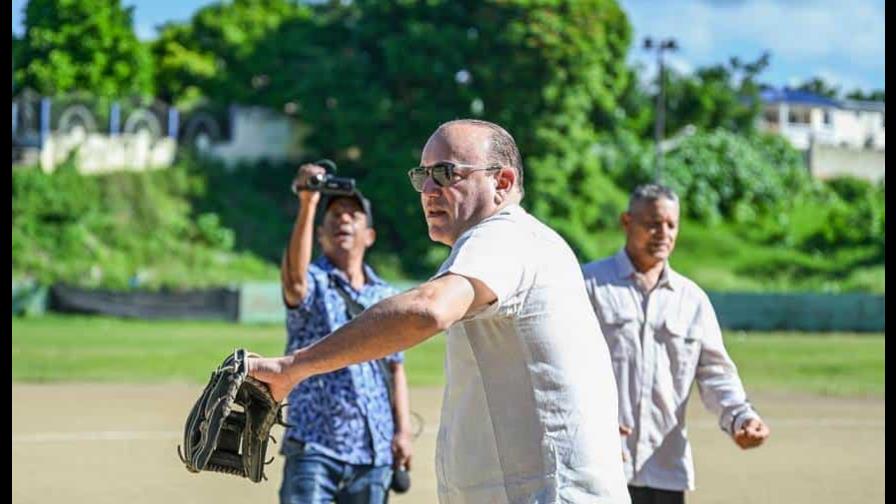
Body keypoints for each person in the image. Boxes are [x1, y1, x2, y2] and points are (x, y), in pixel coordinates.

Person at [249, 119, 631, 503]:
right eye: (423, 176)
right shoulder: (523, 243)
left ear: (502, 182)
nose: (429, 190)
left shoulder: (505, 236)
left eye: (446, 174)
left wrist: (292, 368)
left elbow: (429, 310)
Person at [581, 184, 771, 504]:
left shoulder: (692, 300)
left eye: (671, 225)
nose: (663, 233)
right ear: (627, 222)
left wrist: (741, 417)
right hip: (598, 465)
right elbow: (560, 367)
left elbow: (715, 374)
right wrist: (589, 420)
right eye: (653, 223)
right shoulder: (588, 286)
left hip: (665, 468)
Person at [277, 162, 413, 504]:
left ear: (370, 235)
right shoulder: (316, 284)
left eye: (354, 214)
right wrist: (308, 203)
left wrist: (403, 431)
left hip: (374, 450)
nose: (343, 219)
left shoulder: (385, 295)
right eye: (334, 214)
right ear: (320, 235)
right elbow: (294, 283)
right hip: (315, 445)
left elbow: (395, 368)